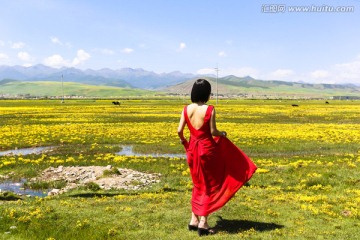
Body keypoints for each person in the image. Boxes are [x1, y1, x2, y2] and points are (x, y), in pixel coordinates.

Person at [177, 79, 257, 236]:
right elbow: (213, 132)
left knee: (197, 183)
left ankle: (194, 219)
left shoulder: (186, 109)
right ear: (207, 93)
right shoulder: (210, 109)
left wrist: (185, 143)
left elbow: (179, 130)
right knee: (209, 185)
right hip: (207, 150)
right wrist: (223, 134)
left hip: (193, 150)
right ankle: (203, 223)